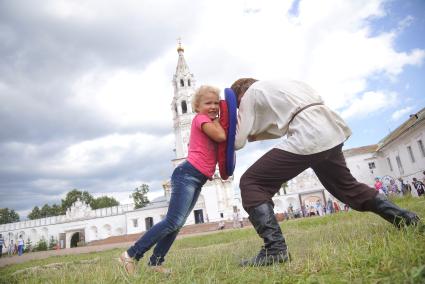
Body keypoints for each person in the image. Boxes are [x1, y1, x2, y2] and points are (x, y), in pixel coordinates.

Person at [231, 78, 420, 267]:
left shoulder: (249, 94)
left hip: (309, 133)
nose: (240, 109)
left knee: (252, 182)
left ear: (240, 93)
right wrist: (253, 135)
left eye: (238, 105)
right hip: (328, 127)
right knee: (347, 188)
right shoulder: (284, 84)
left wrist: (223, 133)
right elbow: (279, 128)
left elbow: (238, 142)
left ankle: (275, 250)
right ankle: (407, 219)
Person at [119, 86, 226, 275]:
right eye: (208, 103)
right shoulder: (200, 119)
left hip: (197, 178)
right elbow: (221, 136)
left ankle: (155, 263)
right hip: (187, 174)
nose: (213, 106)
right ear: (197, 106)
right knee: (172, 221)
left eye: (216, 103)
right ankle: (130, 255)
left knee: (177, 223)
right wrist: (219, 120)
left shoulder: (209, 120)